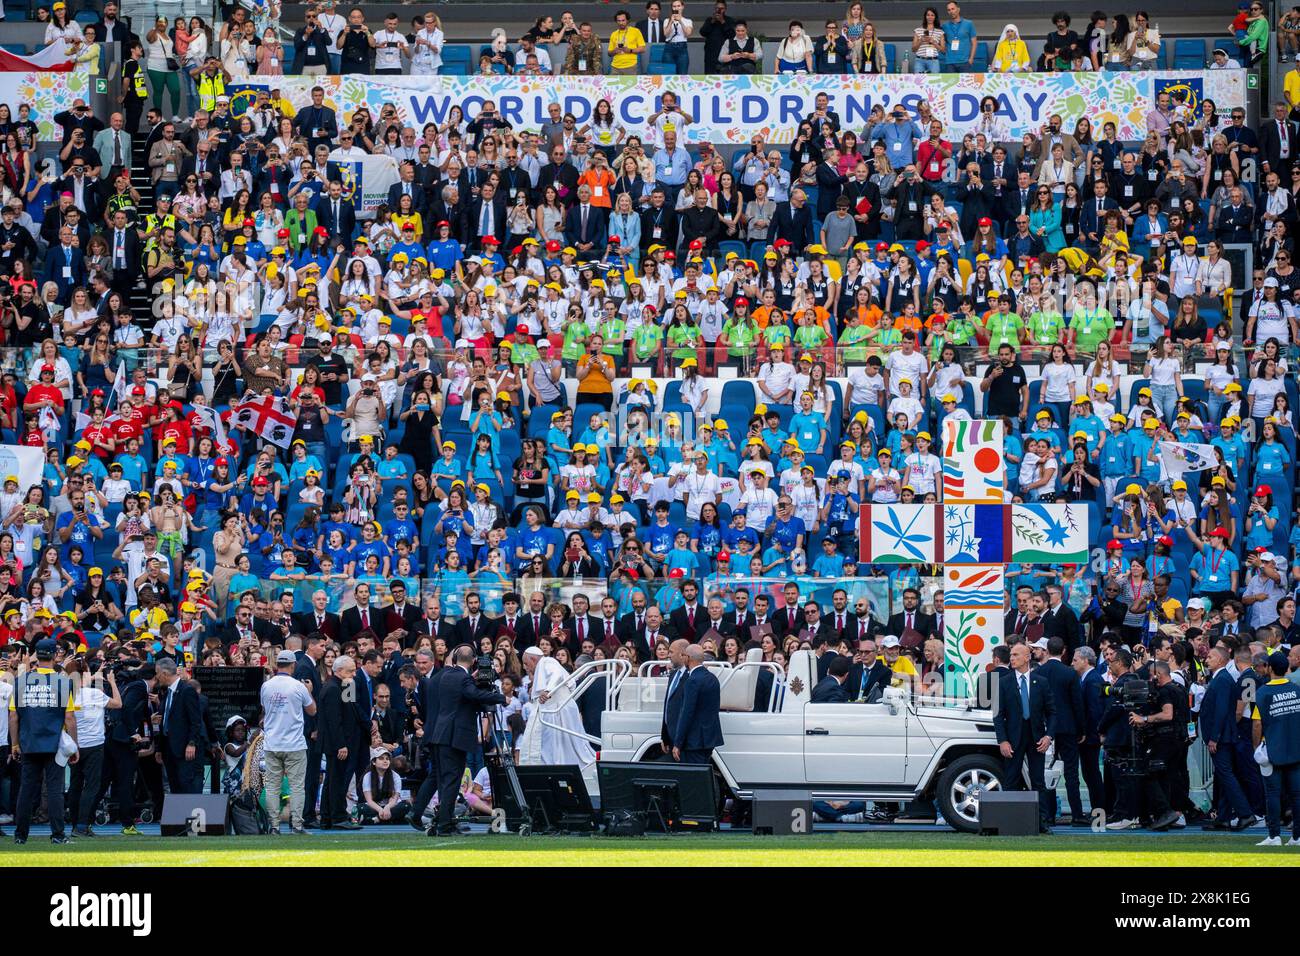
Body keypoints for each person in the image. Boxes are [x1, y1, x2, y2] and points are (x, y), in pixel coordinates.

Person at [9, 640, 79, 844]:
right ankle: (58, 835)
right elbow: (69, 718)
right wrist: (74, 746)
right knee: (55, 789)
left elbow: (13, 716)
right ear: (54, 655)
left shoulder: (21, 681)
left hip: (29, 742)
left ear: (36, 656)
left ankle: (20, 836)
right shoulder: (64, 682)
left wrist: (14, 744)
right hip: (54, 743)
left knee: (27, 789)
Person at [430, 645, 503, 836]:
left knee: (446, 781)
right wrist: (499, 697)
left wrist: (472, 679)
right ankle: (445, 824)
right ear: (473, 661)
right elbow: (473, 694)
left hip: (441, 734)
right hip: (454, 737)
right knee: (452, 781)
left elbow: (464, 692)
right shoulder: (463, 679)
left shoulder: (448, 675)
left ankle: (443, 821)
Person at [991, 642, 1056, 832]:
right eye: (1011, 655)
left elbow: (1052, 712)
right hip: (1012, 738)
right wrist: (1002, 740)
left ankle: (1042, 822)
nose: (1012, 658)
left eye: (1016, 655)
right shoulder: (1004, 682)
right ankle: (1009, 822)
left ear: (1027, 657)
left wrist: (1049, 736)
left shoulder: (1041, 682)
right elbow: (998, 714)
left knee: (1038, 781)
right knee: (1011, 779)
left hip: (1036, 737)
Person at [1198, 646, 1259, 830]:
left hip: (1222, 737)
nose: (1206, 660)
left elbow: (1222, 710)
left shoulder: (1223, 680)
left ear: (1221, 660)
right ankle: (1223, 817)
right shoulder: (1221, 679)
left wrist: (1214, 737)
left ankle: (1246, 814)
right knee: (1223, 776)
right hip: (1223, 736)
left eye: (1210, 657)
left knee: (1226, 774)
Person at [259, 649, 317, 835]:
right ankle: (297, 826)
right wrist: (309, 691)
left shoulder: (266, 686)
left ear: (277, 665)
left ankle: (274, 826)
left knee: (273, 786)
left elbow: (264, 709)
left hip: (272, 743)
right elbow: (312, 710)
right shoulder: (298, 686)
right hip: (294, 744)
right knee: (297, 786)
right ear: (293, 665)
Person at [518, 645, 597, 767]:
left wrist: (548, 690)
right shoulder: (543, 665)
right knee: (556, 746)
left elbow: (557, 674)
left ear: (533, 659)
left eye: (526, 663)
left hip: (559, 710)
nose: (525, 668)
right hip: (553, 710)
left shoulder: (547, 661)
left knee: (568, 745)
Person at [1252, 651, 1300, 845]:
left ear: (1270, 668)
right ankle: (1297, 836)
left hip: (1272, 750)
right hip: (1295, 748)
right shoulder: (1297, 689)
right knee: (1297, 795)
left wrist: (1257, 747)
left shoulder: (1263, 692)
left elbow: (1256, 724)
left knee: (1272, 794)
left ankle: (1274, 835)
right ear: (1286, 668)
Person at [319, 654, 364, 830]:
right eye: (350, 671)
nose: (354, 674)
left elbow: (351, 709)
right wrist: (341, 745)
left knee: (333, 780)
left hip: (344, 741)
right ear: (339, 671)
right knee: (336, 781)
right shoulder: (332, 688)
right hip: (336, 744)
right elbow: (334, 720)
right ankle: (336, 817)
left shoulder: (343, 685)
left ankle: (328, 817)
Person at [154, 657, 206, 795]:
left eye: (157, 673)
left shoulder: (187, 690)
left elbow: (195, 721)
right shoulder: (167, 692)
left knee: (186, 786)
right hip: (168, 749)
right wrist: (159, 748)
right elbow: (165, 720)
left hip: (184, 750)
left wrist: (192, 743)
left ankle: (188, 816)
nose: (156, 677)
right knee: (174, 786)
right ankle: (177, 816)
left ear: (164, 673)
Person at [671, 644, 723, 764]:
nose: (682, 658)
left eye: (683, 655)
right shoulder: (712, 678)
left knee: (694, 779)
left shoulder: (692, 681)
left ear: (688, 657)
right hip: (709, 740)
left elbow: (686, 713)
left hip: (694, 741)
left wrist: (678, 743)